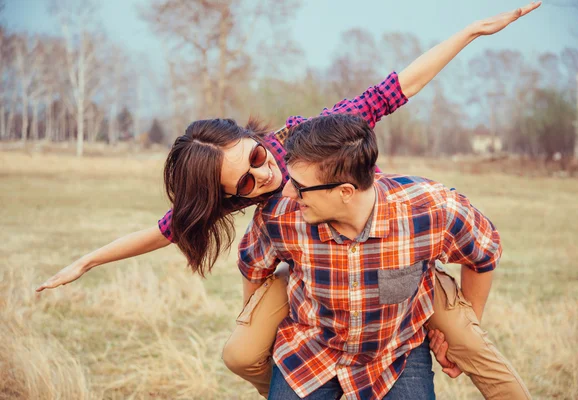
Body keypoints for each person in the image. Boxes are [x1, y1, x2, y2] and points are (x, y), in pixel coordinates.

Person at [35, 3, 541, 399]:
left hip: (395, 251)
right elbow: (164, 231)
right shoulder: (256, 206)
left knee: (470, 342)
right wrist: (89, 259)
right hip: (304, 260)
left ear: (253, 137)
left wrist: (469, 33)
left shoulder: (307, 140)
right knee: (244, 350)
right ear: (230, 195)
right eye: (247, 182)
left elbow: (395, 88)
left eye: (255, 156)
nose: (264, 173)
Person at [237, 113, 531, 399]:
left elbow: (483, 253)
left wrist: (467, 325)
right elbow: (253, 267)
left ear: (345, 192)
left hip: (395, 354)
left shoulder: (432, 209)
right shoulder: (279, 216)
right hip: (310, 351)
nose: (287, 192)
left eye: (300, 187)